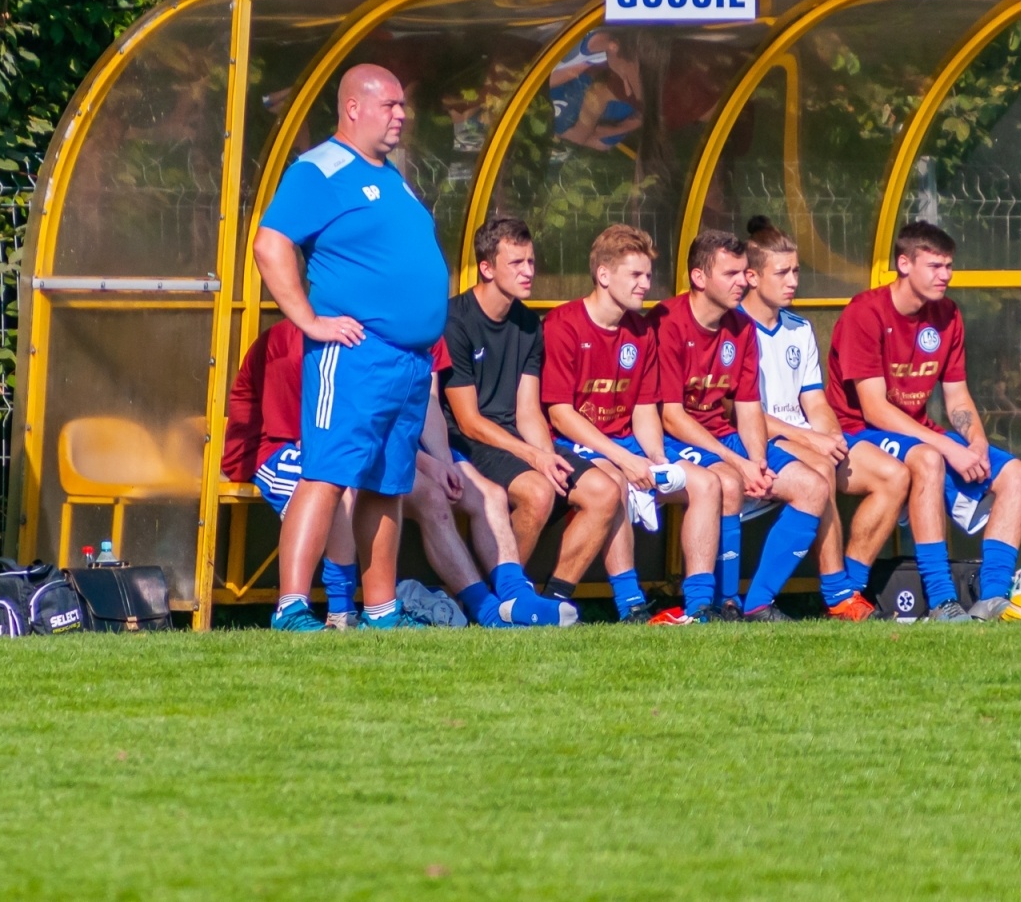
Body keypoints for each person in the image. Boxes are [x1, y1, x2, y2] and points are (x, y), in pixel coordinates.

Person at [252, 64, 448, 632]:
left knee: (387, 485)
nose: (401, 115)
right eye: (389, 105)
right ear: (353, 108)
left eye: (402, 105)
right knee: (327, 473)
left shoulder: (392, 176)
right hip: (357, 352)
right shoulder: (320, 170)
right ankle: (291, 608)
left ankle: (381, 612)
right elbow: (270, 245)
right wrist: (309, 320)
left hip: (409, 362)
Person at [221, 321, 536, 629]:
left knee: (432, 495)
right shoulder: (295, 342)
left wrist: (438, 462)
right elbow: (318, 440)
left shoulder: (403, 328)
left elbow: (404, 415)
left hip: (353, 444)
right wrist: (428, 463)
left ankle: (488, 609)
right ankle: (338, 612)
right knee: (340, 484)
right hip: (269, 447)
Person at [825, 221, 1021, 621]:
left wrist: (973, 440)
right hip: (860, 435)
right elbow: (874, 409)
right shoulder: (865, 313)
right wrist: (949, 448)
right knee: (929, 459)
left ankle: (992, 600)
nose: (946, 276)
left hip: (920, 434)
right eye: (935, 266)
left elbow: (957, 395)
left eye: (949, 266)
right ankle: (941, 600)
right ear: (904, 264)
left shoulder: (947, 315)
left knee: (1018, 475)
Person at [440, 218, 629, 622]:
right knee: (539, 492)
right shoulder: (455, 321)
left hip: (511, 437)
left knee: (604, 490)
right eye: (517, 263)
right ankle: (501, 602)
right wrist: (535, 458)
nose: (529, 272)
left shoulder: (528, 324)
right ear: (487, 268)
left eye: (531, 262)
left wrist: (546, 455)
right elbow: (468, 420)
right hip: (465, 441)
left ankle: (554, 597)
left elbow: (527, 411)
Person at [540, 224, 724, 623]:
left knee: (707, 483)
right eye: (635, 275)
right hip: (574, 446)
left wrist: (657, 459)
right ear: (604, 276)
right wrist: (625, 459)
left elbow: (643, 408)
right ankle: (632, 605)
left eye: (647, 274)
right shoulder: (563, 324)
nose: (646, 284)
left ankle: (700, 604)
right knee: (615, 483)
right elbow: (559, 413)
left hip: (628, 445)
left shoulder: (641, 331)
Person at [648, 230, 832, 623]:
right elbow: (671, 415)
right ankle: (718, 601)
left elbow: (748, 405)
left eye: (744, 272)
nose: (742, 281)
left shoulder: (741, 326)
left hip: (722, 436)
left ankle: (758, 603)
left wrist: (759, 460)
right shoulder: (668, 322)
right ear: (699, 278)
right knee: (728, 483)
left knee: (813, 486)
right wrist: (739, 462)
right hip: (674, 438)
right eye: (731, 273)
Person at [738, 218, 910, 622]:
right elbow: (743, 412)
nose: (793, 281)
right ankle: (835, 594)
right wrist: (812, 442)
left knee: (894, 475)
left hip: (804, 436)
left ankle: (853, 586)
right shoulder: (734, 329)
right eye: (782, 272)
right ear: (752, 276)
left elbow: (814, 400)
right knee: (820, 467)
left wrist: (830, 434)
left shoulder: (799, 328)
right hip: (761, 439)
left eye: (796, 270)